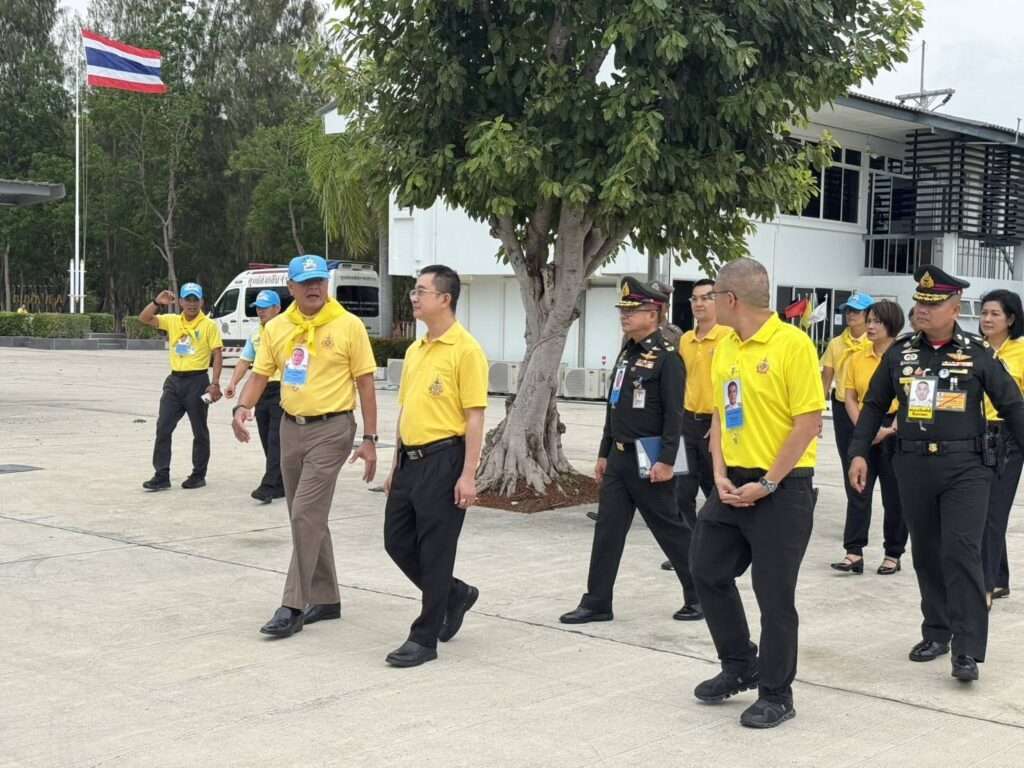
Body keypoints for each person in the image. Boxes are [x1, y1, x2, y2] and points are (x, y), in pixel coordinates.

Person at [849, 267, 1024, 683]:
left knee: (961, 553)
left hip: (967, 469)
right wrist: (858, 451)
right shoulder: (901, 353)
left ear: (954, 309)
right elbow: (874, 405)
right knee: (926, 554)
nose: (922, 310)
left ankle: (967, 649)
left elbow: (1012, 405)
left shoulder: (977, 353)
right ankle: (937, 631)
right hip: (913, 466)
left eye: (932, 304)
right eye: (919, 302)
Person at [689, 258, 823, 729]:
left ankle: (776, 693)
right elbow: (721, 414)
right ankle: (740, 663)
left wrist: (767, 483)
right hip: (732, 483)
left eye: (711, 295)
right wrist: (719, 473)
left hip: (782, 488)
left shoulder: (793, 345)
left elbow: (808, 423)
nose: (706, 303)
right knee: (705, 568)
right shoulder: (726, 345)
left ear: (730, 299)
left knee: (774, 595)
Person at [231, 255, 379, 638]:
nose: (314, 288)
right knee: (307, 517)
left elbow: (365, 383)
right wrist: (242, 407)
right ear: (291, 288)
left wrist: (370, 438)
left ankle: (293, 605)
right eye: (306, 282)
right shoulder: (278, 328)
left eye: (319, 281)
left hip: (333, 428)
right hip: (290, 427)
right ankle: (326, 599)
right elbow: (261, 373)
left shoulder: (348, 325)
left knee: (304, 514)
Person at [559, 277, 698, 626]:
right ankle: (597, 602)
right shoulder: (628, 352)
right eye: (623, 309)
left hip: (650, 457)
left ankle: (701, 595)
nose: (624, 315)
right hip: (620, 458)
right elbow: (615, 405)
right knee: (607, 531)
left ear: (654, 314)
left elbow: (675, 415)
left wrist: (667, 460)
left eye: (632, 310)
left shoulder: (667, 358)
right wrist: (604, 451)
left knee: (671, 530)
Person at [381, 265, 489, 667]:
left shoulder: (466, 350)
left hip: (445, 459)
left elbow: (475, 416)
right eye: (414, 290)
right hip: (410, 462)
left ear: (445, 299)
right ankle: (455, 594)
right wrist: (395, 464)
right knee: (396, 542)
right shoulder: (416, 349)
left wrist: (468, 475)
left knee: (436, 551)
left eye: (421, 291)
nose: (414, 297)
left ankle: (424, 638)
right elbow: (406, 409)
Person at [661, 278, 729, 592]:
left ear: (719, 301)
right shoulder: (685, 340)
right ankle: (688, 548)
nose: (699, 304)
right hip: (685, 423)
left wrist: (721, 424)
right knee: (680, 491)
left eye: (706, 298)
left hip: (716, 425)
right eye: (695, 299)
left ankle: (715, 549)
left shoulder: (728, 337)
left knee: (715, 490)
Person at [831, 300, 907, 575]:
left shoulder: (905, 358)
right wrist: (865, 429)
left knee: (894, 495)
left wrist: (890, 429)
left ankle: (893, 553)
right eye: (870, 320)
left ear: (892, 325)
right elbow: (849, 397)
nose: (871, 326)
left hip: (896, 426)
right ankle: (853, 551)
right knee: (858, 489)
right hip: (864, 425)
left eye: (877, 322)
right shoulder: (856, 357)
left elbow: (912, 399)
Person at [139, 282, 223, 491]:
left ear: (202, 302)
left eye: (196, 300)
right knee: (163, 427)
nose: (192, 304)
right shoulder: (173, 321)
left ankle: (198, 474)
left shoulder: (209, 325)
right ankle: (161, 475)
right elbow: (144, 318)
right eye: (188, 300)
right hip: (174, 381)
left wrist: (214, 383)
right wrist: (157, 302)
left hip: (197, 381)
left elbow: (217, 354)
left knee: (199, 430)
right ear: (181, 302)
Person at [979, 289, 1024, 606]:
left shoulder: (1021, 352)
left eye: (995, 313)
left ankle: (985, 584)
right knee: (982, 510)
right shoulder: (974, 350)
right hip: (975, 433)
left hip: (1008, 436)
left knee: (993, 513)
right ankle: (999, 578)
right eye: (984, 312)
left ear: (1010, 319)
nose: (987, 319)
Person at [820, 292, 872, 561]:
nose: (850, 315)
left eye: (856, 311)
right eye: (847, 310)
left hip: (872, 409)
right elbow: (826, 377)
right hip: (843, 408)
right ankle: (855, 532)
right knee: (850, 466)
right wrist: (818, 410)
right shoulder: (836, 343)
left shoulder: (875, 342)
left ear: (869, 315)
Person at [225, 289, 285, 503]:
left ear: (277, 308)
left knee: (276, 438)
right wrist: (233, 382)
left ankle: (268, 485)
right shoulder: (256, 333)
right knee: (266, 436)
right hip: (261, 390)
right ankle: (281, 483)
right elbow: (244, 360)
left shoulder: (288, 330)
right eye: (258, 308)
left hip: (282, 389)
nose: (260, 311)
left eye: (265, 307)